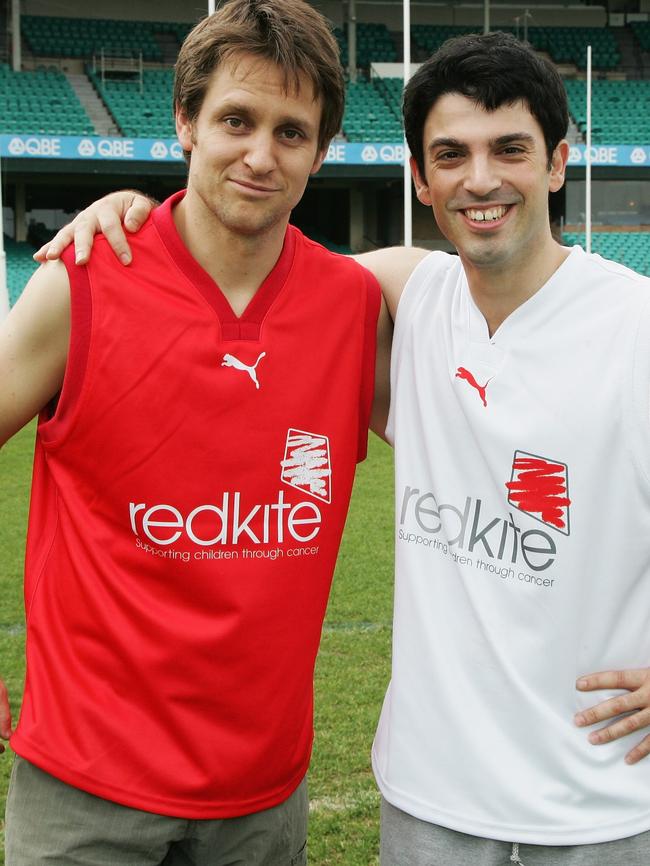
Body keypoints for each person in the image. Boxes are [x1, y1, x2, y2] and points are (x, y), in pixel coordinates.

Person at [51, 30, 650, 866]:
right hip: (427, 805)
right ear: (420, 177)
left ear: (556, 163)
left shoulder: (635, 325)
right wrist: (131, 214)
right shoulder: (408, 294)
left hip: (604, 809)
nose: (480, 180)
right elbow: (240, 265)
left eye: (509, 149)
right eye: (451, 154)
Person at [0, 1, 398, 863]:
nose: (260, 155)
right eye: (235, 120)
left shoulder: (353, 309)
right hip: (86, 790)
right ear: (185, 121)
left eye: (291, 131)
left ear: (321, 151)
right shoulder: (83, 283)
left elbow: (518, 444)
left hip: (261, 799)